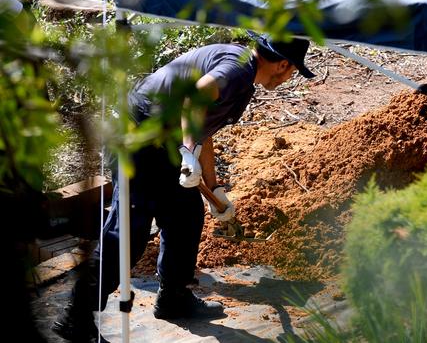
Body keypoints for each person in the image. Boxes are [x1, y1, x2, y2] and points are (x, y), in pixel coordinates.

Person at [51, 32, 315, 342]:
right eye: (294, 71)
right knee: (129, 233)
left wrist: (215, 188)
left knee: (186, 216)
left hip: (168, 142)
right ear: (283, 64)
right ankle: (76, 315)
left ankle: (173, 298)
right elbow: (196, 97)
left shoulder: (243, 72)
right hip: (139, 138)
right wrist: (189, 152)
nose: (289, 79)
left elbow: (205, 125)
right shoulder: (236, 70)